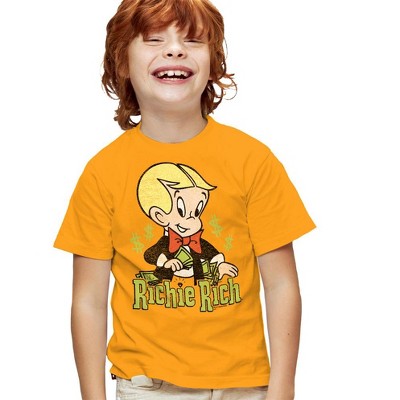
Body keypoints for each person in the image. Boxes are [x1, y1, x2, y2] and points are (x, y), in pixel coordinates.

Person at [54, 0, 315, 399]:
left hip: (244, 385)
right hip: (146, 386)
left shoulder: (253, 160)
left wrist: (282, 390)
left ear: (213, 63)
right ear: (122, 61)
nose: (175, 50)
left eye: (192, 40)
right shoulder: (102, 172)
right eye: (154, 39)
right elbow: (88, 301)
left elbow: (282, 286)